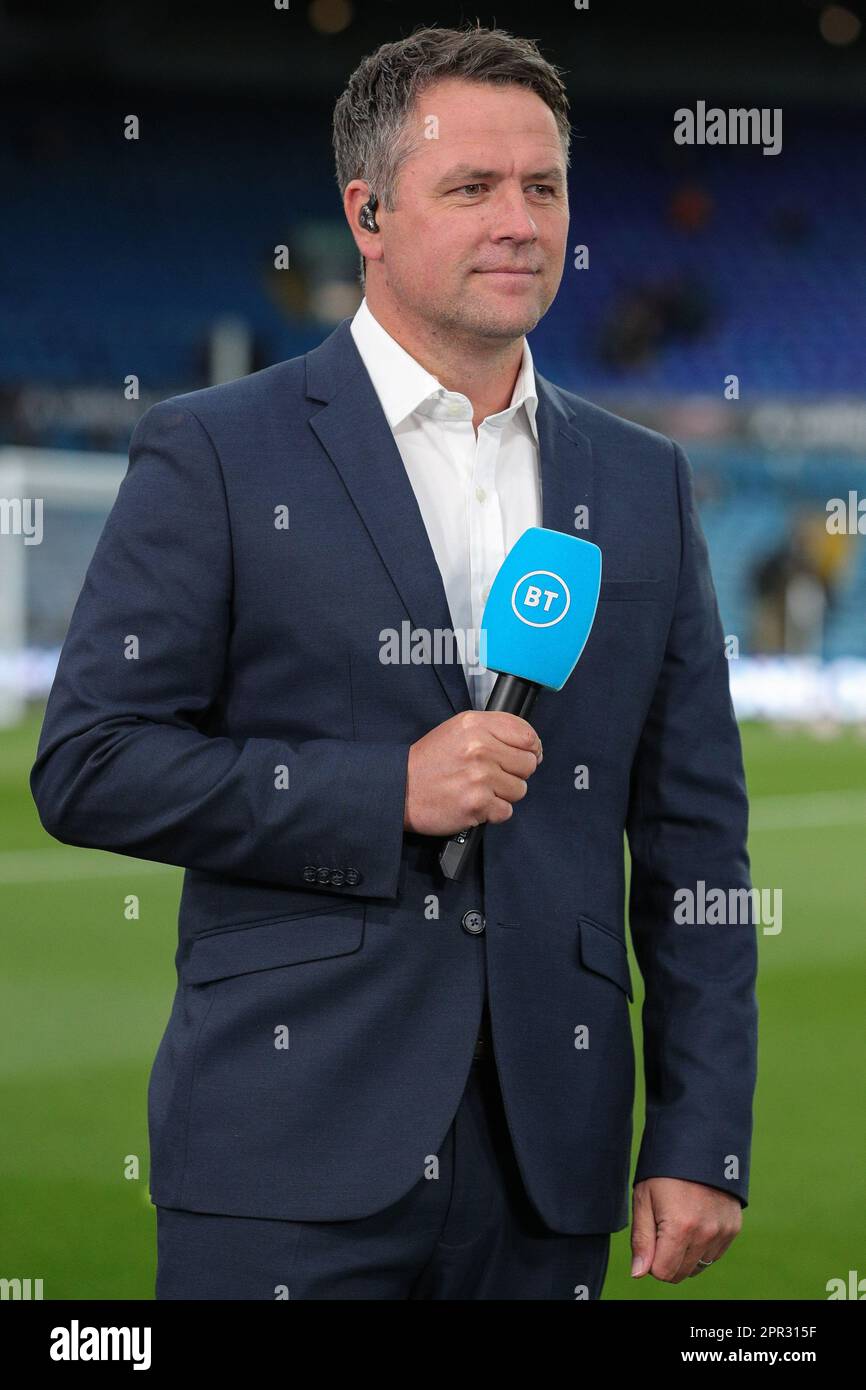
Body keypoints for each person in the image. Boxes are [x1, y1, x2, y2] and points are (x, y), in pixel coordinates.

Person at [30, 24, 758, 1301]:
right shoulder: (215, 452)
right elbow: (90, 763)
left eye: (543, 187)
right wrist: (382, 792)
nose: (520, 221)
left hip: (550, 1165)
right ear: (366, 212)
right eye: (471, 188)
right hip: (284, 1151)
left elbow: (697, 835)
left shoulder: (642, 482)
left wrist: (702, 1134)